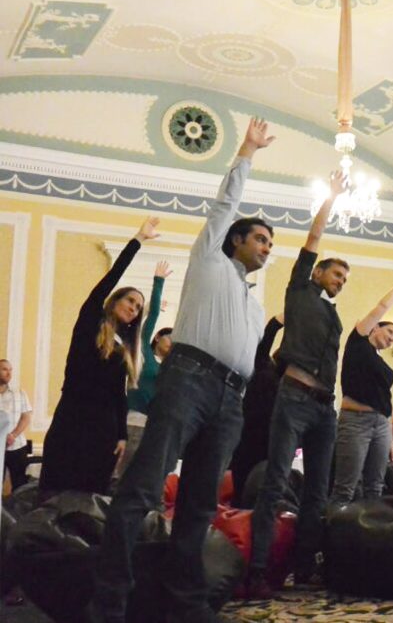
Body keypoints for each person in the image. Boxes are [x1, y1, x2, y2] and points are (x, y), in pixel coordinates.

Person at [90, 118, 276, 623]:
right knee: (143, 488)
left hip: (231, 400)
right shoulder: (210, 259)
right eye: (260, 239)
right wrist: (247, 151)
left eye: (270, 243)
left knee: (199, 505)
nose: (266, 247)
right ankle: (108, 604)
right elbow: (225, 203)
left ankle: (186, 606)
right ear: (234, 240)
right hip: (190, 380)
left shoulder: (253, 304)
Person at [244, 171, 349, 598]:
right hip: (294, 398)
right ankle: (257, 571)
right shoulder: (300, 290)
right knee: (275, 483)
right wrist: (333, 197)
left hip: (325, 408)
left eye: (344, 280)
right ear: (318, 272)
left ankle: (305, 569)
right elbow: (313, 237)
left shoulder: (331, 314)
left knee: (318, 491)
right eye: (335, 274)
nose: (339, 282)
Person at [40, 217, 157, 497]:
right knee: (57, 488)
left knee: (90, 495)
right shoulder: (90, 322)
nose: (133, 308)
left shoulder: (124, 348)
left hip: (105, 429)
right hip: (73, 416)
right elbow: (109, 280)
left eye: (138, 307)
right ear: (115, 300)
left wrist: (122, 435)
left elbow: (119, 394)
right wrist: (138, 240)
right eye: (130, 300)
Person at [328, 262, 393, 505]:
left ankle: (370, 528)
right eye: (389, 332)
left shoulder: (382, 363)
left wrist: (389, 439)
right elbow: (382, 306)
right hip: (355, 422)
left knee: (375, 487)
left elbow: (384, 401)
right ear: (375, 328)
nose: (392, 339)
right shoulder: (358, 342)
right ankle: (334, 528)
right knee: (345, 487)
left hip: (380, 424)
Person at [116, 260, 172, 479]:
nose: (173, 343)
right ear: (157, 337)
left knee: (145, 477)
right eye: (170, 338)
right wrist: (159, 282)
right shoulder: (143, 351)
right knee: (122, 475)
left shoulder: (168, 366)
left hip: (154, 425)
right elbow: (152, 315)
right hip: (134, 421)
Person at [228, 313, 284, 507]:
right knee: (243, 484)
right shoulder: (262, 365)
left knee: (257, 487)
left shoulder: (285, 382)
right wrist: (277, 322)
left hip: (265, 436)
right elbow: (265, 342)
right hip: (250, 433)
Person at [1, 359, 33, 490]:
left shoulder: (19, 393)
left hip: (17, 446)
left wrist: (13, 435)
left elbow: (26, 417)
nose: (9, 373)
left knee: (20, 487)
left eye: (10, 370)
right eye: (4, 369)